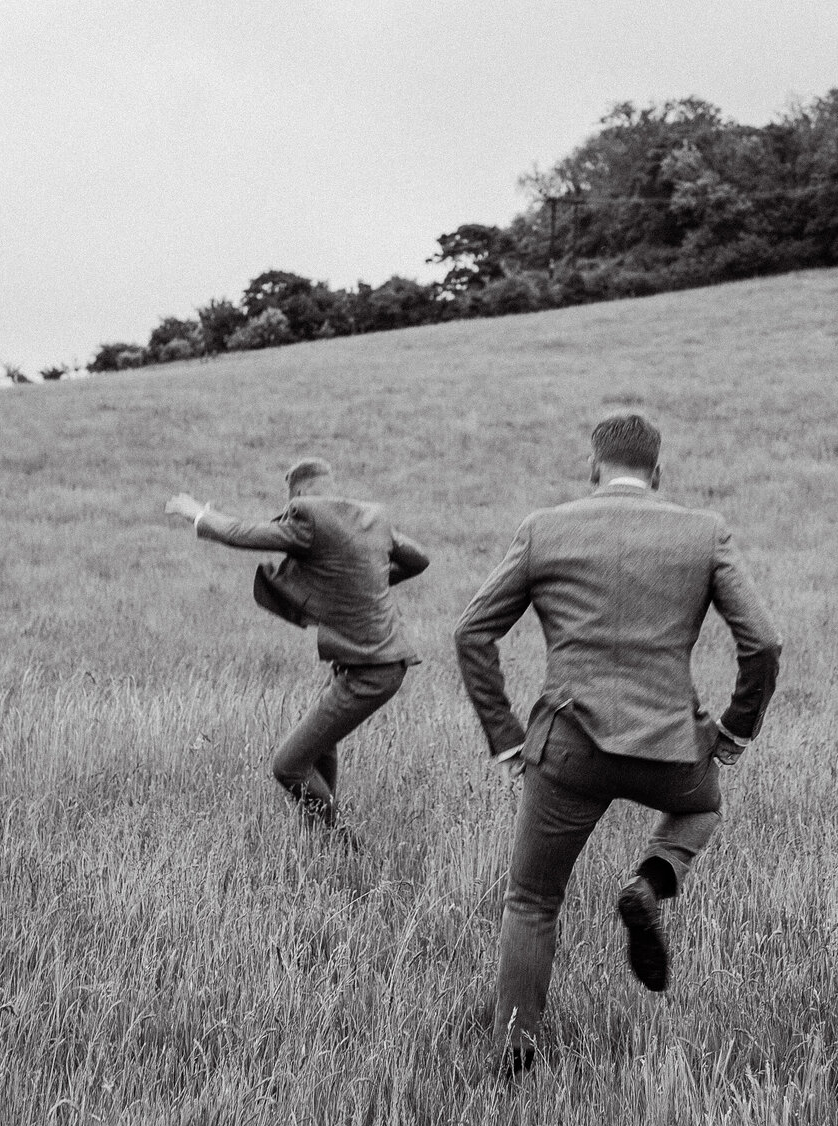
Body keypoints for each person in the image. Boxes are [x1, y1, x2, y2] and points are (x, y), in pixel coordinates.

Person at [454, 408, 781, 1073]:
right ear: (658, 473)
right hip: (672, 751)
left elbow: (472, 633)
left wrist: (507, 738)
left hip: (568, 749)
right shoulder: (703, 533)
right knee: (700, 807)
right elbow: (764, 643)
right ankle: (650, 882)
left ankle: (515, 1048)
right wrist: (735, 728)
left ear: (591, 467)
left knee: (533, 900)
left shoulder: (545, 530)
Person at [166, 456, 428, 828]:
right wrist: (362, 583)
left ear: (299, 493)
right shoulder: (368, 517)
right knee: (320, 748)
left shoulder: (307, 516)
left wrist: (195, 512)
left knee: (287, 766)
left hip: (368, 671)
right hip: (379, 662)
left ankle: (343, 844)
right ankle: (320, 842)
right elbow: (420, 559)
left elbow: (242, 533)